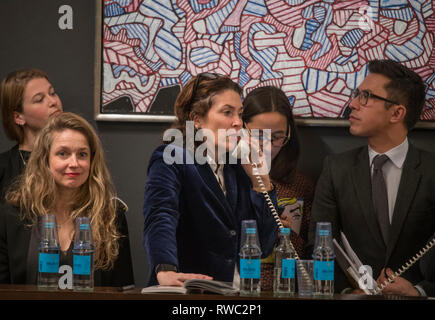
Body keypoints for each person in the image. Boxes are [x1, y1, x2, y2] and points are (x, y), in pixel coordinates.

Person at [307, 59, 435, 296]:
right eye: (357, 95)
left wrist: (419, 291)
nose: (353, 104)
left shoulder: (430, 170)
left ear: (397, 113)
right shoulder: (336, 168)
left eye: (366, 96)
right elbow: (319, 243)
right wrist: (345, 291)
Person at [142, 73, 278, 287]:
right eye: (227, 112)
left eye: (240, 114)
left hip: (238, 293)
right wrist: (165, 267)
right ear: (196, 119)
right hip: (192, 290)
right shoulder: (172, 158)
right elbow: (161, 215)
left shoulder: (236, 167)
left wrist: (261, 182)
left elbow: (265, 245)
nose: (237, 123)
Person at [0, 112, 134, 287]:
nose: (74, 163)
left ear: (92, 160)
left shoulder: (110, 215)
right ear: (45, 159)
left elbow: (123, 289)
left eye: (82, 154)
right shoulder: (13, 214)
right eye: (63, 153)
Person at [242, 86, 314, 290]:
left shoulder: (300, 185)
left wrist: (288, 235)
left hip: (283, 288)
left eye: (277, 137)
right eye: (258, 135)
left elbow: (309, 254)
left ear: (289, 133)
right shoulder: (227, 180)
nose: (267, 146)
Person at [0, 68, 63, 200]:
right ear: (18, 117)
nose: (53, 102)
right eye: (39, 99)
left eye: (52, 93)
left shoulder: (76, 160)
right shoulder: (4, 168)